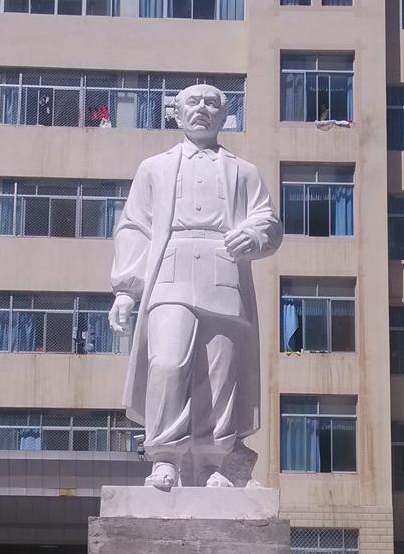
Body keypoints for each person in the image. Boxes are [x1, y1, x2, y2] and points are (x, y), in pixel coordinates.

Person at [108, 83, 282, 490]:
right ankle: (165, 457)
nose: (202, 108)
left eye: (211, 103)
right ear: (177, 112)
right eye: (193, 101)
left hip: (223, 271)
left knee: (219, 374)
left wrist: (254, 235)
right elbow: (135, 226)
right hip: (170, 271)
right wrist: (126, 289)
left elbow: (268, 222)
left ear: (224, 115)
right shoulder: (155, 168)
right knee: (167, 363)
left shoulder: (244, 171)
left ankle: (211, 462)